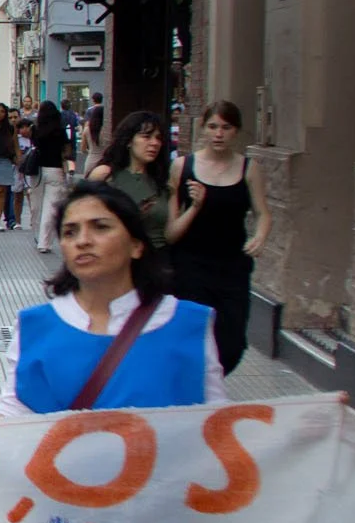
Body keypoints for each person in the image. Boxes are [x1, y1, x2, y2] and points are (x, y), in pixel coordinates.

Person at [0, 181, 224, 426]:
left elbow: (220, 431)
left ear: (137, 245)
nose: (83, 241)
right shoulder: (34, 327)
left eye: (100, 227)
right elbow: (16, 425)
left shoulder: (189, 324)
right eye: (70, 232)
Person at [166, 101, 270, 375]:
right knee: (192, 335)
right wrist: (195, 207)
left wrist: (260, 236)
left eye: (226, 127)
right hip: (191, 265)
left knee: (232, 341)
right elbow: (171, 232)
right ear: (203, 129)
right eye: (213, 126)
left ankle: (213, 380)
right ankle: (197, 391)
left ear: (236, 131)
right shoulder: (182, 167)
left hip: (232, 266)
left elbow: (263, 213)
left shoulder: (249, 168)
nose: (219, 134)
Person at [87, 111, 171, 255]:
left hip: (159, 259)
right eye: (146, 137)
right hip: (118, 258)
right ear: (129, 141)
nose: (154, 143)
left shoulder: (163, 179)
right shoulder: (105, 175)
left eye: (158, 138)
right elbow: (86, 218)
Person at [34, 100, 76, 254]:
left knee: (36, 206)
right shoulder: (59, 130)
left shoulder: (37, 129)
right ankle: (44, 242)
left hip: (37, 170)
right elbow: (67, 151)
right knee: (50, 207)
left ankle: (36, 235)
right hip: (55, 170)